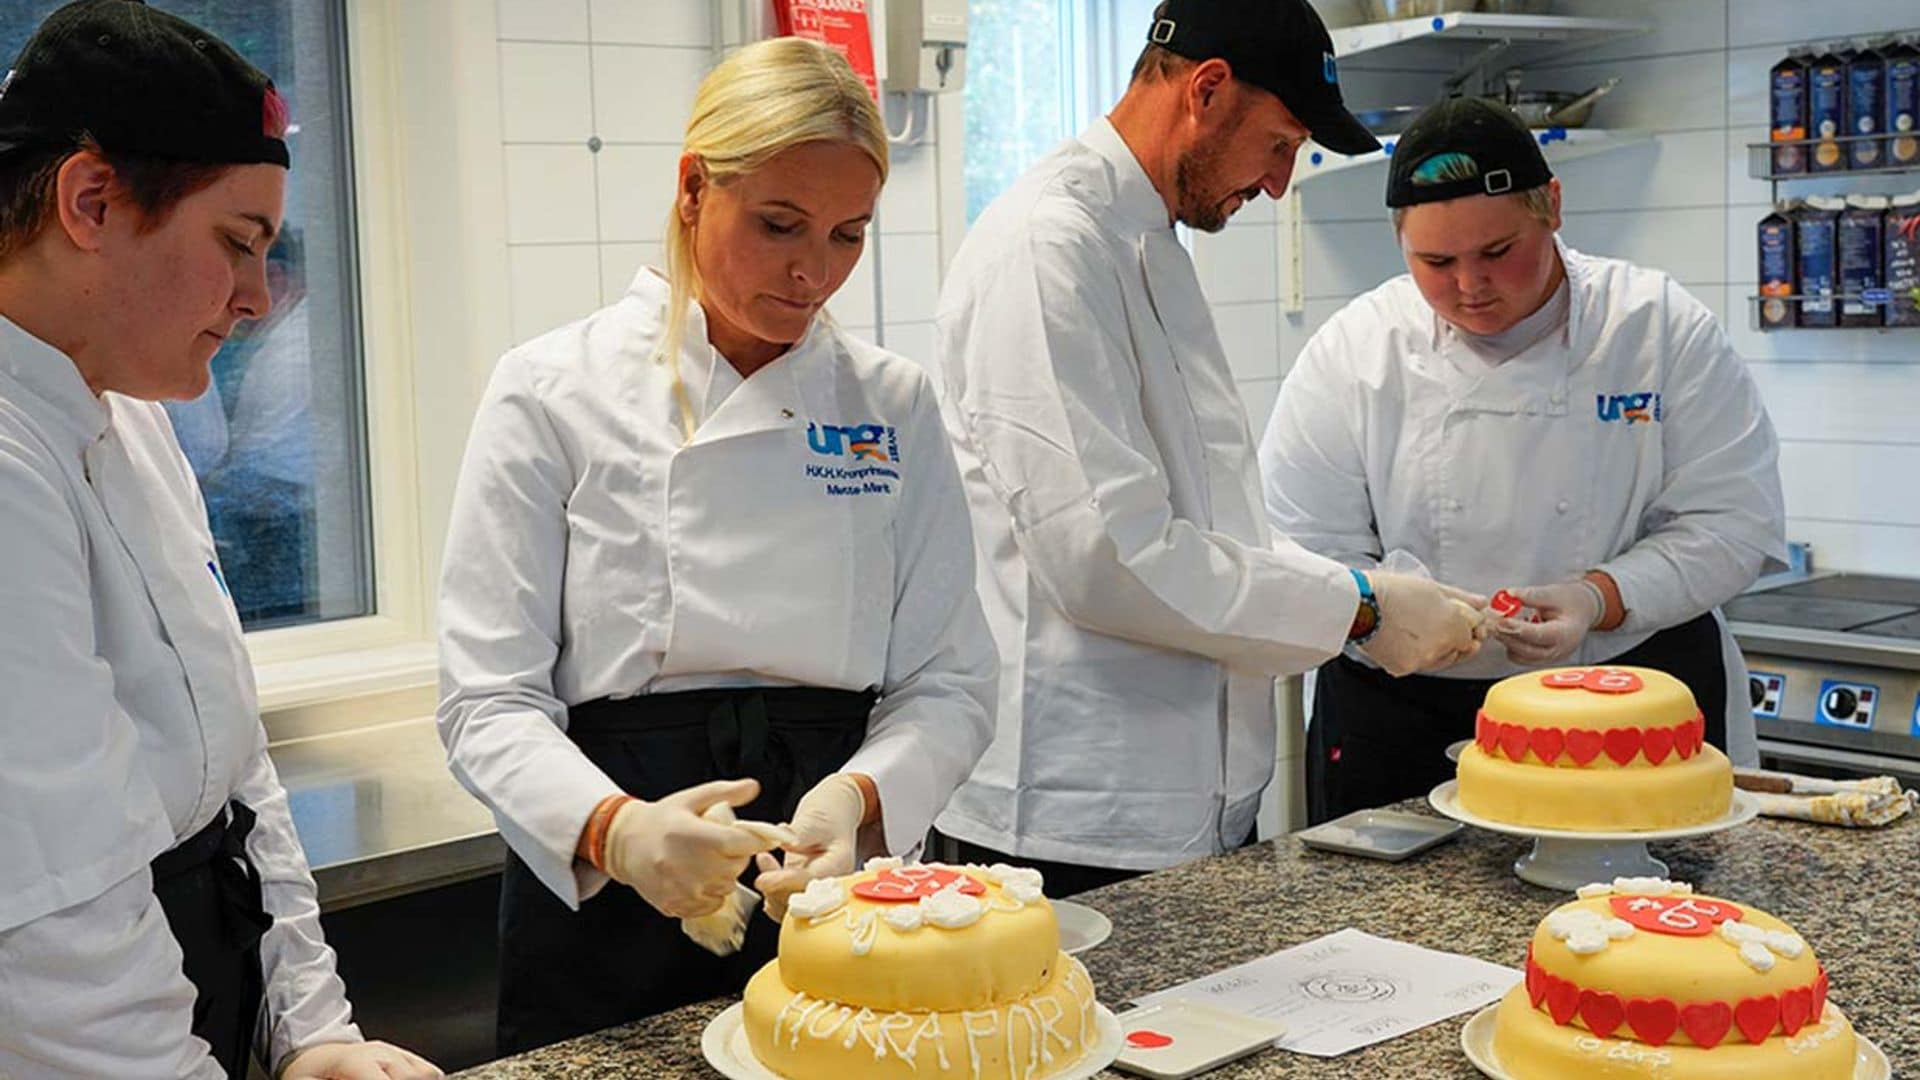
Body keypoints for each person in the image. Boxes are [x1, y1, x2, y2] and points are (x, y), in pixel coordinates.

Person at [437, 36, 996, 1054]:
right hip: (610, 869)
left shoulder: (892, 405)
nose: (811, 271)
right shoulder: (552, 390)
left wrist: (858, 798)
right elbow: (486, 699)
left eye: (846, 235)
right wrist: (618, 830)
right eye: (779, 224)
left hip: (822, 874)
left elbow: (950, 681)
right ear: (694, 189)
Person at [930, 0, 1488, 897]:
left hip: (1185, 805)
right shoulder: (1048, 250)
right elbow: (1106, 557)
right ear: (1209, 89)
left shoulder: (1144, 239)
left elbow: (1206, 519)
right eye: (1279, 146)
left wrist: (1368, 596)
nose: (1277, 185)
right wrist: (1358, 607)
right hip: (1070, 822)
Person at [0, 2, 440, 1076]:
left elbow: (240, 768)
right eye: (236, 244)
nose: (255, 298)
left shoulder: (134, 417)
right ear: (92, 200)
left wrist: (312, 1030)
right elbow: (58, 927)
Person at [1258, 97, 1787, 824]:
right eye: (1435, 262)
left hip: (1628, 700)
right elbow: (1298, 545)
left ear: (1554, 208)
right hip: (1404, 708)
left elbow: (1734, 524)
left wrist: (1597, 597)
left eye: (1497, 253)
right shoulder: (1355, 351)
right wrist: (1385, 612)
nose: (1470, 285)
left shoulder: (1655, 329)